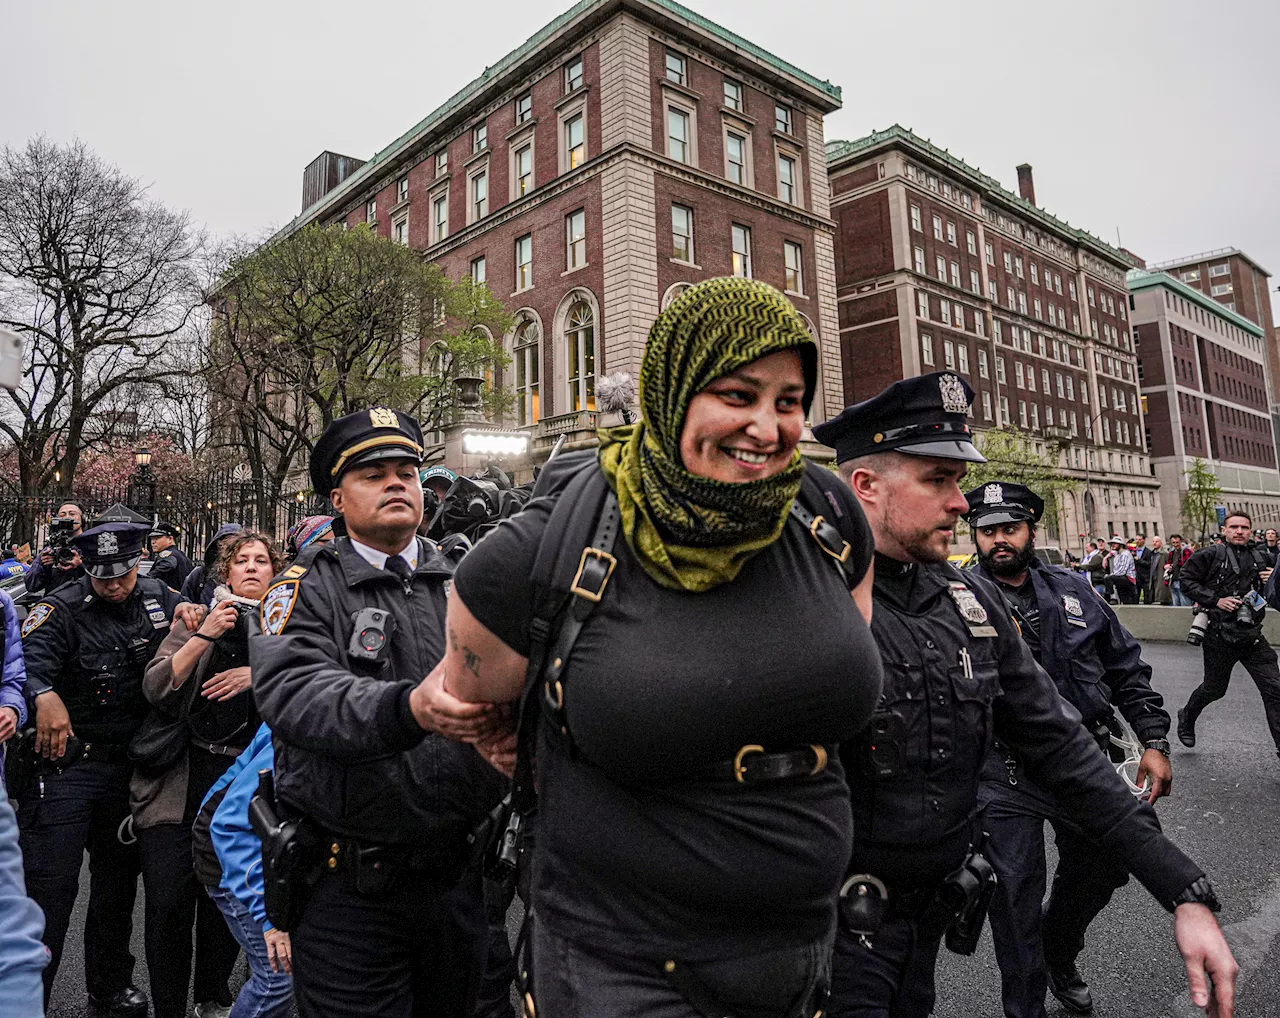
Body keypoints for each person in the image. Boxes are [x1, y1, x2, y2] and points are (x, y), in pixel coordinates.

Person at [425, 278, 882, 1017]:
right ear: (673, 390)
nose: (767, 427)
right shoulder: (549, 543)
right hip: (620, 962)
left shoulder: (829, 513)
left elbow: (839, 677)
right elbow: (467, 696)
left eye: (789, 401)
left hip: (799, 947)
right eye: (737, 394)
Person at [811, 371, 1236, 1018]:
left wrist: (1183, 888)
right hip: (812, 943)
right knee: (1013, 913)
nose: (962, 504)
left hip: (911, 931)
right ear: (865, 486)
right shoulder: (802, 599)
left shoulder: (967, 601)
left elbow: (1060, 742)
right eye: (938, 480)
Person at [251, 406, 507, 1018]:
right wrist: (407, 707)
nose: (397, 483)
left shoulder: (465, 580)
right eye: (373, 474)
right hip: (350, 894)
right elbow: (295, 693)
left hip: (459, 882)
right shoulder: (301, 587)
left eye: (407, 471)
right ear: (337, 498)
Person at [964, 481, 1175, 1018]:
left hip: (1085, 762)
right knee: (1014, 900)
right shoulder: (955, 599)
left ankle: (1060, 953)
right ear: (976, 537)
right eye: (988, 531)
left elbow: (1126, 668)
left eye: (1010, 528)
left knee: (1102, 869)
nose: (999, 540)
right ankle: (1026, 1007)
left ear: (1031, 530)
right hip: (1004, 773)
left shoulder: (1076, 591)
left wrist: (1152, 739)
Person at [17, 522, 199, 1016]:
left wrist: (190, 612)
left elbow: (198, 615)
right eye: (103, 577)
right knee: (49, 889)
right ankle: (28, 998)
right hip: (67, 766)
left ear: (138, 562)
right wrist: (43, 693)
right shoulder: (61, 607)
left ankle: (109, 983)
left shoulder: (160, 594)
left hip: (129, 769)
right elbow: (26, 661)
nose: (115, 585)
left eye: (123, 574)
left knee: (116, 888)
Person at [131, 531, 283, 1018]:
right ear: (226, 572)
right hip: (186, 775)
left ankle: (212, 997)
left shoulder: (289, 626)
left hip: (251, 789)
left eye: (263, 561)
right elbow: (156, 687)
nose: (254, 568)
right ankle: (170, 1006)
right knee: (170, 903)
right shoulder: (199, 616)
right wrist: (205, 634)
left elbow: (313, 684)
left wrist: (258, 673)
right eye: (243, 561)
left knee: (231, 904)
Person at [193, 722, 293, 1018]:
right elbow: (228, 827)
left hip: (271, 851)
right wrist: (269, 919)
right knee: (277, 977)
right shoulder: (301, 733)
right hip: (227, 852)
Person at [1176, 510, 1280, 760]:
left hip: (1253, 636)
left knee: (1275, 691)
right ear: (1224, 530)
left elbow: (1274, 594)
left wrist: (1272, 578)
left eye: (1244, 527)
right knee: (1214, 689)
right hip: (1219, 636)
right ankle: (1187, 716)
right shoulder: (1210, 554)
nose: (1239, 531)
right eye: (1233, 527)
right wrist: (1216, 600)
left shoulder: (1262, 556)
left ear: (1250, 530)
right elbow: (1186, 579)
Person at [25, 502, 86, 594]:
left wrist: (80, 565)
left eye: (72, 514)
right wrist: (43, 566)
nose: (67, 517)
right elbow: (31, 586)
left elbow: (105, 580)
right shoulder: (49, 550)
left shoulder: (92, 546)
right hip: (55, 603)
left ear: (83, 519)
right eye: (62, 514)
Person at [182, 523, 244, 606]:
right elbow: (185, 606)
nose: (231, 550)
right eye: (227, 544)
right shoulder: (200, 575)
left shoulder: (252, 575)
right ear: (219, 546)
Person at [149, 522, 196, 591]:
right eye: (152, 538)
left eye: (157, 538)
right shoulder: (180, 555)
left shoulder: (167, 555)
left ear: (170, 539)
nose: (153, 542)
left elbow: (168, 565)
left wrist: (146, 579)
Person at [1104, 537, 1137, 605]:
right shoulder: (1117, 554)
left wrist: (1112, 575)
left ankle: (1113, 598)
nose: (1113, 545)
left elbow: (1122, 571)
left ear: (1121, 545)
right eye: (1112, 544)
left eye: (1115, 544)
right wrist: (1105, 558)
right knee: (1124, 600)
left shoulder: (1125, 555)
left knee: (1108, 578)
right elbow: (1112, 552)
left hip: (1128, 579)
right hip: (1121, 580)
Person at [1170, 534, 1194, 607]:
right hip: (1173, 579)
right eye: (1173, 542)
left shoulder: (1186, 551)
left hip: (1183, 580)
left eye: (1177, 542)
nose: (1175, 544)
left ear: (1181, 542)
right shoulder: (1171, 552)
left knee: (1185, 604)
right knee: (1176, 604)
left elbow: (1189, 565)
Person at [1148, 535, 1173, 606]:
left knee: (1163, 597)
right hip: (1153, 577)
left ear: (1161, 543)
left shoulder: (1164, 554)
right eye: (1153, 541)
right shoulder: (1152, 554)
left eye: (1157, 541)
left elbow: (1169, 565)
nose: (1154, 543)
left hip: (1161, 577)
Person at [1132, 534, 1152, 603]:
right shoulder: (1133, 551)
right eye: (1136, 539)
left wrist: (1139, 560)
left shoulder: (1148, 552)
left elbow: (1149, 564)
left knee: (1147, 597)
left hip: (1145, 577)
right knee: (1135, 596)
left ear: (1144, 540)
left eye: (1139, 539)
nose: (1137, 541)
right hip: (1135, 577)